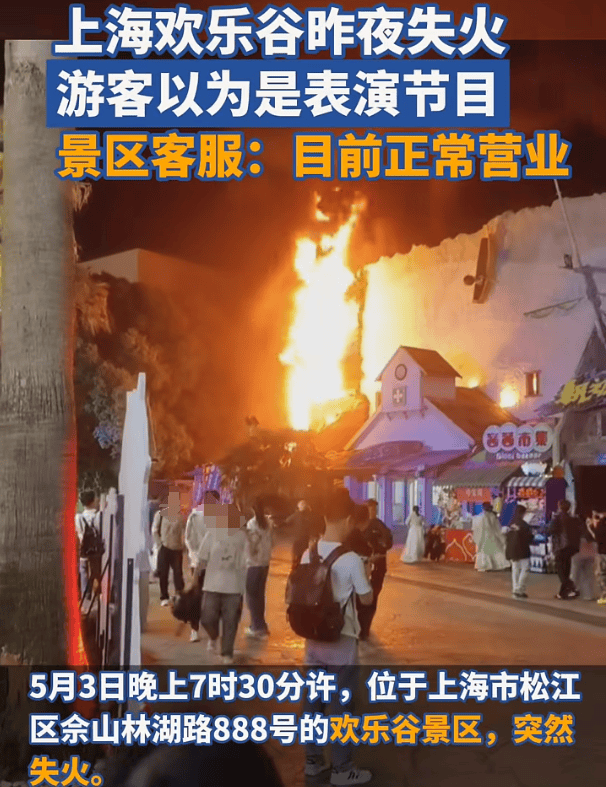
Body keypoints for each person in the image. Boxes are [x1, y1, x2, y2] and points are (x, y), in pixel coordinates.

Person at [300, 488, 373, 786]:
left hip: (313, 639)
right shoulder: (351, 558)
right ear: (347, 520)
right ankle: (342, 769)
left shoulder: (309, 552)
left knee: (313, 703)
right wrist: (366, 571)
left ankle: (313, 762)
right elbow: (366, 599)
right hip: (341, 641)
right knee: (343, 706)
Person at [198, 501, 247, 664]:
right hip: (212, 585)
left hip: (234, 587)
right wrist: (195, 579)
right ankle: (213, 636)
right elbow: (202, 557)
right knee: (207, 618)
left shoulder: (241, 537)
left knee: (230, 621)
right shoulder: (212, 533)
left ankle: (227, 653)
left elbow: (247, 560)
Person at [343, 499, 392, 641]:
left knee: (372, 597)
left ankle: (364, 628)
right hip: (359, 568)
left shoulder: (379, 526)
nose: (372, 512)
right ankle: (357, 626)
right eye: (370, 509)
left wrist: (379, 552)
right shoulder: (353, 531)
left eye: (374, 509)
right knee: (357, 598)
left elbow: (387, 542)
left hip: (376, 569)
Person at [183, 491, 219, 641]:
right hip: (211, 563)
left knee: (197, 595)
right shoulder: (218, 517)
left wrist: (195, 554)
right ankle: (207, 628)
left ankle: (195, 630)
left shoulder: (194, 515)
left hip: (199, 561)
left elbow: (188, 539)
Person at [244, 498, 275, 639]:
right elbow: (272, 541)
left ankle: (256, 627)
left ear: (252, 509)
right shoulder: (268, 523)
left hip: (254, 564)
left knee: (252, 596)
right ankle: (261, 625)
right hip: (265, 563)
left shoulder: (252, 524)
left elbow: (252, 544)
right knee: (260, 596)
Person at [152, 485, 186, 607]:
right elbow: (154, 531)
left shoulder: (180, 517)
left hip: (177, 549)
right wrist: (160, 544)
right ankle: (164, 596)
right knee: (163, 573)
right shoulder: (160, 515)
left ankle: (179, 595)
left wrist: (183, 544)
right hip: (164, 548)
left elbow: (183, 532)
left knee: (178, 573)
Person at [549, 499, 581, 600]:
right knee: (566, 569)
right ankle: (562, 593)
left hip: (561, 547)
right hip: (572, 548)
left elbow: (550, 530)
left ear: (559, 506)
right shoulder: (574, 519)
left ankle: (572, 587)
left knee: (561, 572)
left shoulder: (557, 518)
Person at [75, 490, 103, 601]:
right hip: (95, 549)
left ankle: (85, 596)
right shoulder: (99, 515)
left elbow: (80, 534)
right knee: (96, 573)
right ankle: (97, 596)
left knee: (83, 571)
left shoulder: (79, 517)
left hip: (84, 549)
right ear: (92, 501)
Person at [471, 502, 509, 572]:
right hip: (491, 536)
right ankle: (497, 565)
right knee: (496, 550)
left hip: (482, 537)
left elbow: (475, 528)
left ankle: (483, 566)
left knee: (483, 551)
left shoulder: (478, 517)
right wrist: (502, 538)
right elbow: (497, 528)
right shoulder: (492, 516)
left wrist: (475, 538)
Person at [505, 504, 533, 599]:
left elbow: (507, 537)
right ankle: (519, 589)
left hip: (512, 549)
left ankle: (515, 588)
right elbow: (529, 538)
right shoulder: (525, 525)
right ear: (523, 513)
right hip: (522, 549)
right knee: (525, 568)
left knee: (515, 569)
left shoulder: (510, 523)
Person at [572, 510, 599, 600]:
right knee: (588, 574)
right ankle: (588, 595)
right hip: (590, 552)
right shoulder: (592, 526)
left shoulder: (577, 526)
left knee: (575, 573)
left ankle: (575, 591)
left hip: (579, 551)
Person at [288, 499, 324, 568]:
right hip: (307, 542)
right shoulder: (313, 516)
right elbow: (318, 527)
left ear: (299, 508)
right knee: (306, 561)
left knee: (296, 562)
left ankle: (295, 571)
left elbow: (286, 523)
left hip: (297, 542)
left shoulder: (295, 515)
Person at [593, 511, 606, 604]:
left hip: (602, 553)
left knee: (601, 574)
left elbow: (597, 537)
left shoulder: (601, 527)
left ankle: (604, 595)